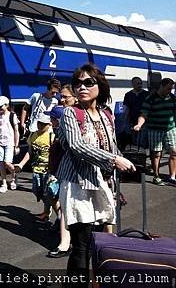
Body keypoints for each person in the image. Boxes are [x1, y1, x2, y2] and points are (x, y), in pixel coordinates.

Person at [56, 64, 135, 281]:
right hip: (77, 184)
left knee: (99, 241)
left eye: (88, 82)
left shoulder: (106, 115)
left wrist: (123, 159)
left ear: (99, 86)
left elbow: (111, 146)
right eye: (77, 83)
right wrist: (114, 159)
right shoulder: (70, 113)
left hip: (102, 183)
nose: (81, 87)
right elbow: (76, 146)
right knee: (81, 245)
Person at [133, 78, 176, 186]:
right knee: (156, 154)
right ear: (161, 86)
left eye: (171, 89)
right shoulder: (151, 98)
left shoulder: (172, 97)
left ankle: (172, 177)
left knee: (174, 152)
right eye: (168, 88)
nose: (170, 91)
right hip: (155, 129)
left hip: (170, 128)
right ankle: (156, 176)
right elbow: (144, 114)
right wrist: (139, 125)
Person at [44, 106, 71, 258]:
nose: (50, 121)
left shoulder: (63, 135)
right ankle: (61, 221)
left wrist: (55, 173)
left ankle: (65, 241)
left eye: (52, 119)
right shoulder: (56, 133)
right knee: (53, 196)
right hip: (56, 172)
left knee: (58, 199)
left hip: (61, 174)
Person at [0, 96, 20, 193]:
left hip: (9, 142)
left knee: (7, 162)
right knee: (1, 163)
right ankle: (4, 183)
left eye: (1, 106)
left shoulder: (12, 115)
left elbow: (16, 131)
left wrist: (16, 144)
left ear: (7, 105)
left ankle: (14, 175)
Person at [122, 77, 148, 150]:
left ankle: (141, 155)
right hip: (132, 121)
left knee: (141, 141)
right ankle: (136, 156)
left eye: (141, 83)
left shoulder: (146, 94)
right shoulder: (128, 95)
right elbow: (127, 108)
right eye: (138, 83)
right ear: (133, 84)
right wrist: (125, 121)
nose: (140, 85)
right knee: (134, 140)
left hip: (144, 121)